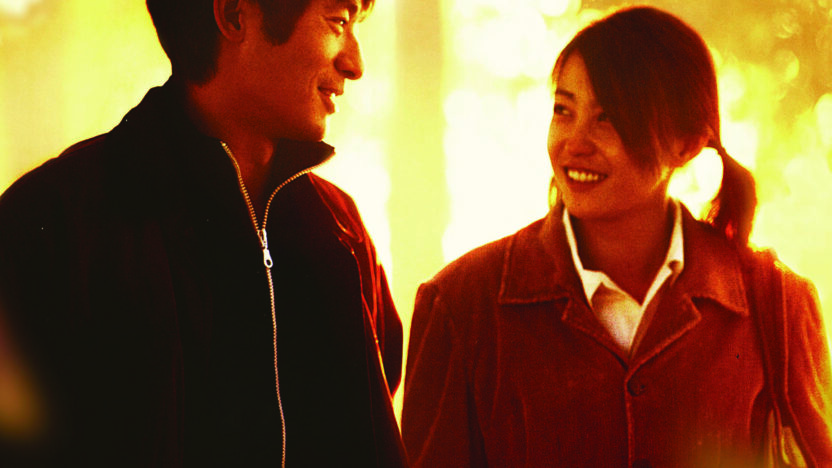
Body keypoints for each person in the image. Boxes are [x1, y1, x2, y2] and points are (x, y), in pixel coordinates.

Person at [401, 6, 832, 467]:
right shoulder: (461, 305)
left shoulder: (775, 304)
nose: (574, 143)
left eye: (607, 117)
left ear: (686, 143)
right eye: (563, 110)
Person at [0, 0, 407, 466]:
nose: (355, 64)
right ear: (234, 15)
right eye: (338, 21)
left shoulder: (341, 229)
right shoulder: (50, 223)